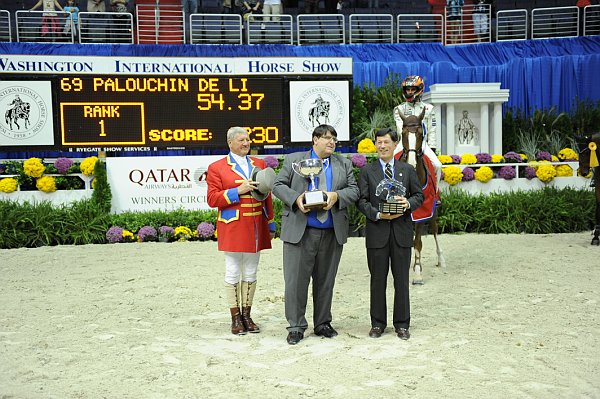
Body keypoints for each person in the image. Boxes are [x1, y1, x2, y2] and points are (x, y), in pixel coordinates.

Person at [272, 124, 359, 345]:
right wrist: (296, 199)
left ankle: (322, 323)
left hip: (331, 232)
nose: (332, 142)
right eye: (327, 138)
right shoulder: (294, 160)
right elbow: (277, 185)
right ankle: (296, 326)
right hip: (300, 233)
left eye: (334, 139)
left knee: (326, 281)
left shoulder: (343, 163)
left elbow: (354, 190)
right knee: (295, 282)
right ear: (315, 140)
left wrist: (336, 196)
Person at [206, 126, 276, 336]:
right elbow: (212, 199)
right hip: (233, 225)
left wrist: (270, 222)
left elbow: (267, 196)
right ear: (230, 143)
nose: (246, 143)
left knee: (252, 270)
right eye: (241, 140)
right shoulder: (217, 167)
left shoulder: (259, 164)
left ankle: (247, 315)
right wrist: (238, 191)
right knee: (233, 270)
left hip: (256, 224)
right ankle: (235, 318)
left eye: (247, 139)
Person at [357, 128, 424, 340]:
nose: (382, 146)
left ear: (395, 145)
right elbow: (361, 201)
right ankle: (377, 323)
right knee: (377, 280)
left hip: (402, 234)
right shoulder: (367, 171)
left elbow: (419, 196)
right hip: (377, 234)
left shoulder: (407, 169)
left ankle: (402, 324)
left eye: (386, 142)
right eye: (379, 142)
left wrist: (408, 203)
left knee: (401, 280)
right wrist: (377, 214)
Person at [393, 75, 441, 197]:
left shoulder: (429, 108)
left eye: (412, 89)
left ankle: (436, 193)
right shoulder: (398, 109)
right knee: (387, 164)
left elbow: (432, 130)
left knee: (438, 165)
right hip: (404, 143)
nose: (409, 92)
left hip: (422, 144)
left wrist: (432, 146)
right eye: (407, 90)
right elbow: (400, 130)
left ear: (419, 89)